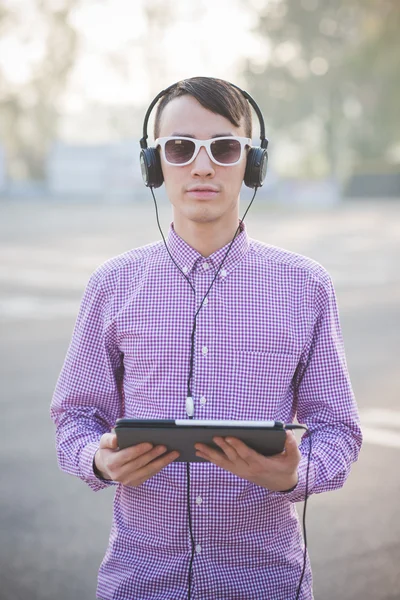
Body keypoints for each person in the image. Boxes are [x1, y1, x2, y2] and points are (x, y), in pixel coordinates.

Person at [50, 76, 362, 600]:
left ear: (252, 163)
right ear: (154, 164)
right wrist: (99, 460)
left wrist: (293, 474)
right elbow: (73, 419)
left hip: (267, 584)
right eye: (179, 148)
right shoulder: (112, 285)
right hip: (139, 585)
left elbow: (339, 432)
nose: (201, 166)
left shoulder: (306, 287)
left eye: (223, 148)